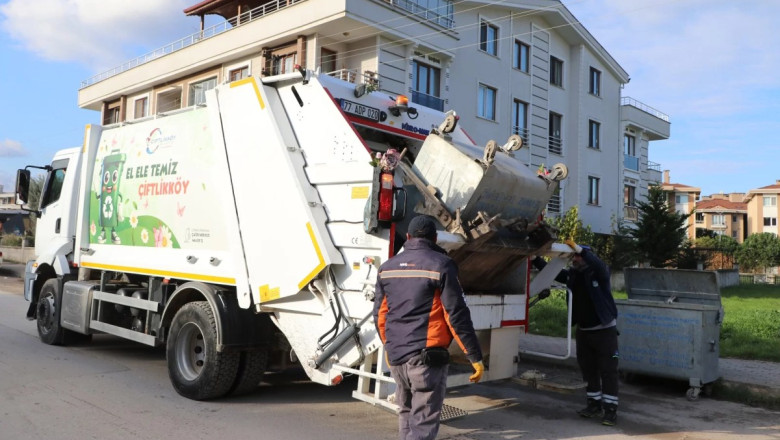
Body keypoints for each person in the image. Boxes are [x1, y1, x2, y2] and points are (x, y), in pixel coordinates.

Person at [373, 215, 484, 440]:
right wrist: (474, 356)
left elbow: (380, 315)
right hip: (425, 360)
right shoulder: (441, 265)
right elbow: (455, 314)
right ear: (434, 238)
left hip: (397, 357)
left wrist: (388, 347)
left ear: (409, 237)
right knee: (423, 422)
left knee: (405, 411)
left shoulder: (387, 268)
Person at [533, 238, 619, 426]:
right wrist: (535, 259)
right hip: (584, 332)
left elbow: (600, 265)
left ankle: (610, 410)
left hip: (604, 332)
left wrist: (582, 250)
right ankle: (594, 404)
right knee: (588, 370)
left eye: (578, 256)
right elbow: (555, 274)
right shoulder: (573, 275)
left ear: (587, 257)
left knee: (608, 372)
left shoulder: (599, 274)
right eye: (574, 256)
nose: (575, 259)